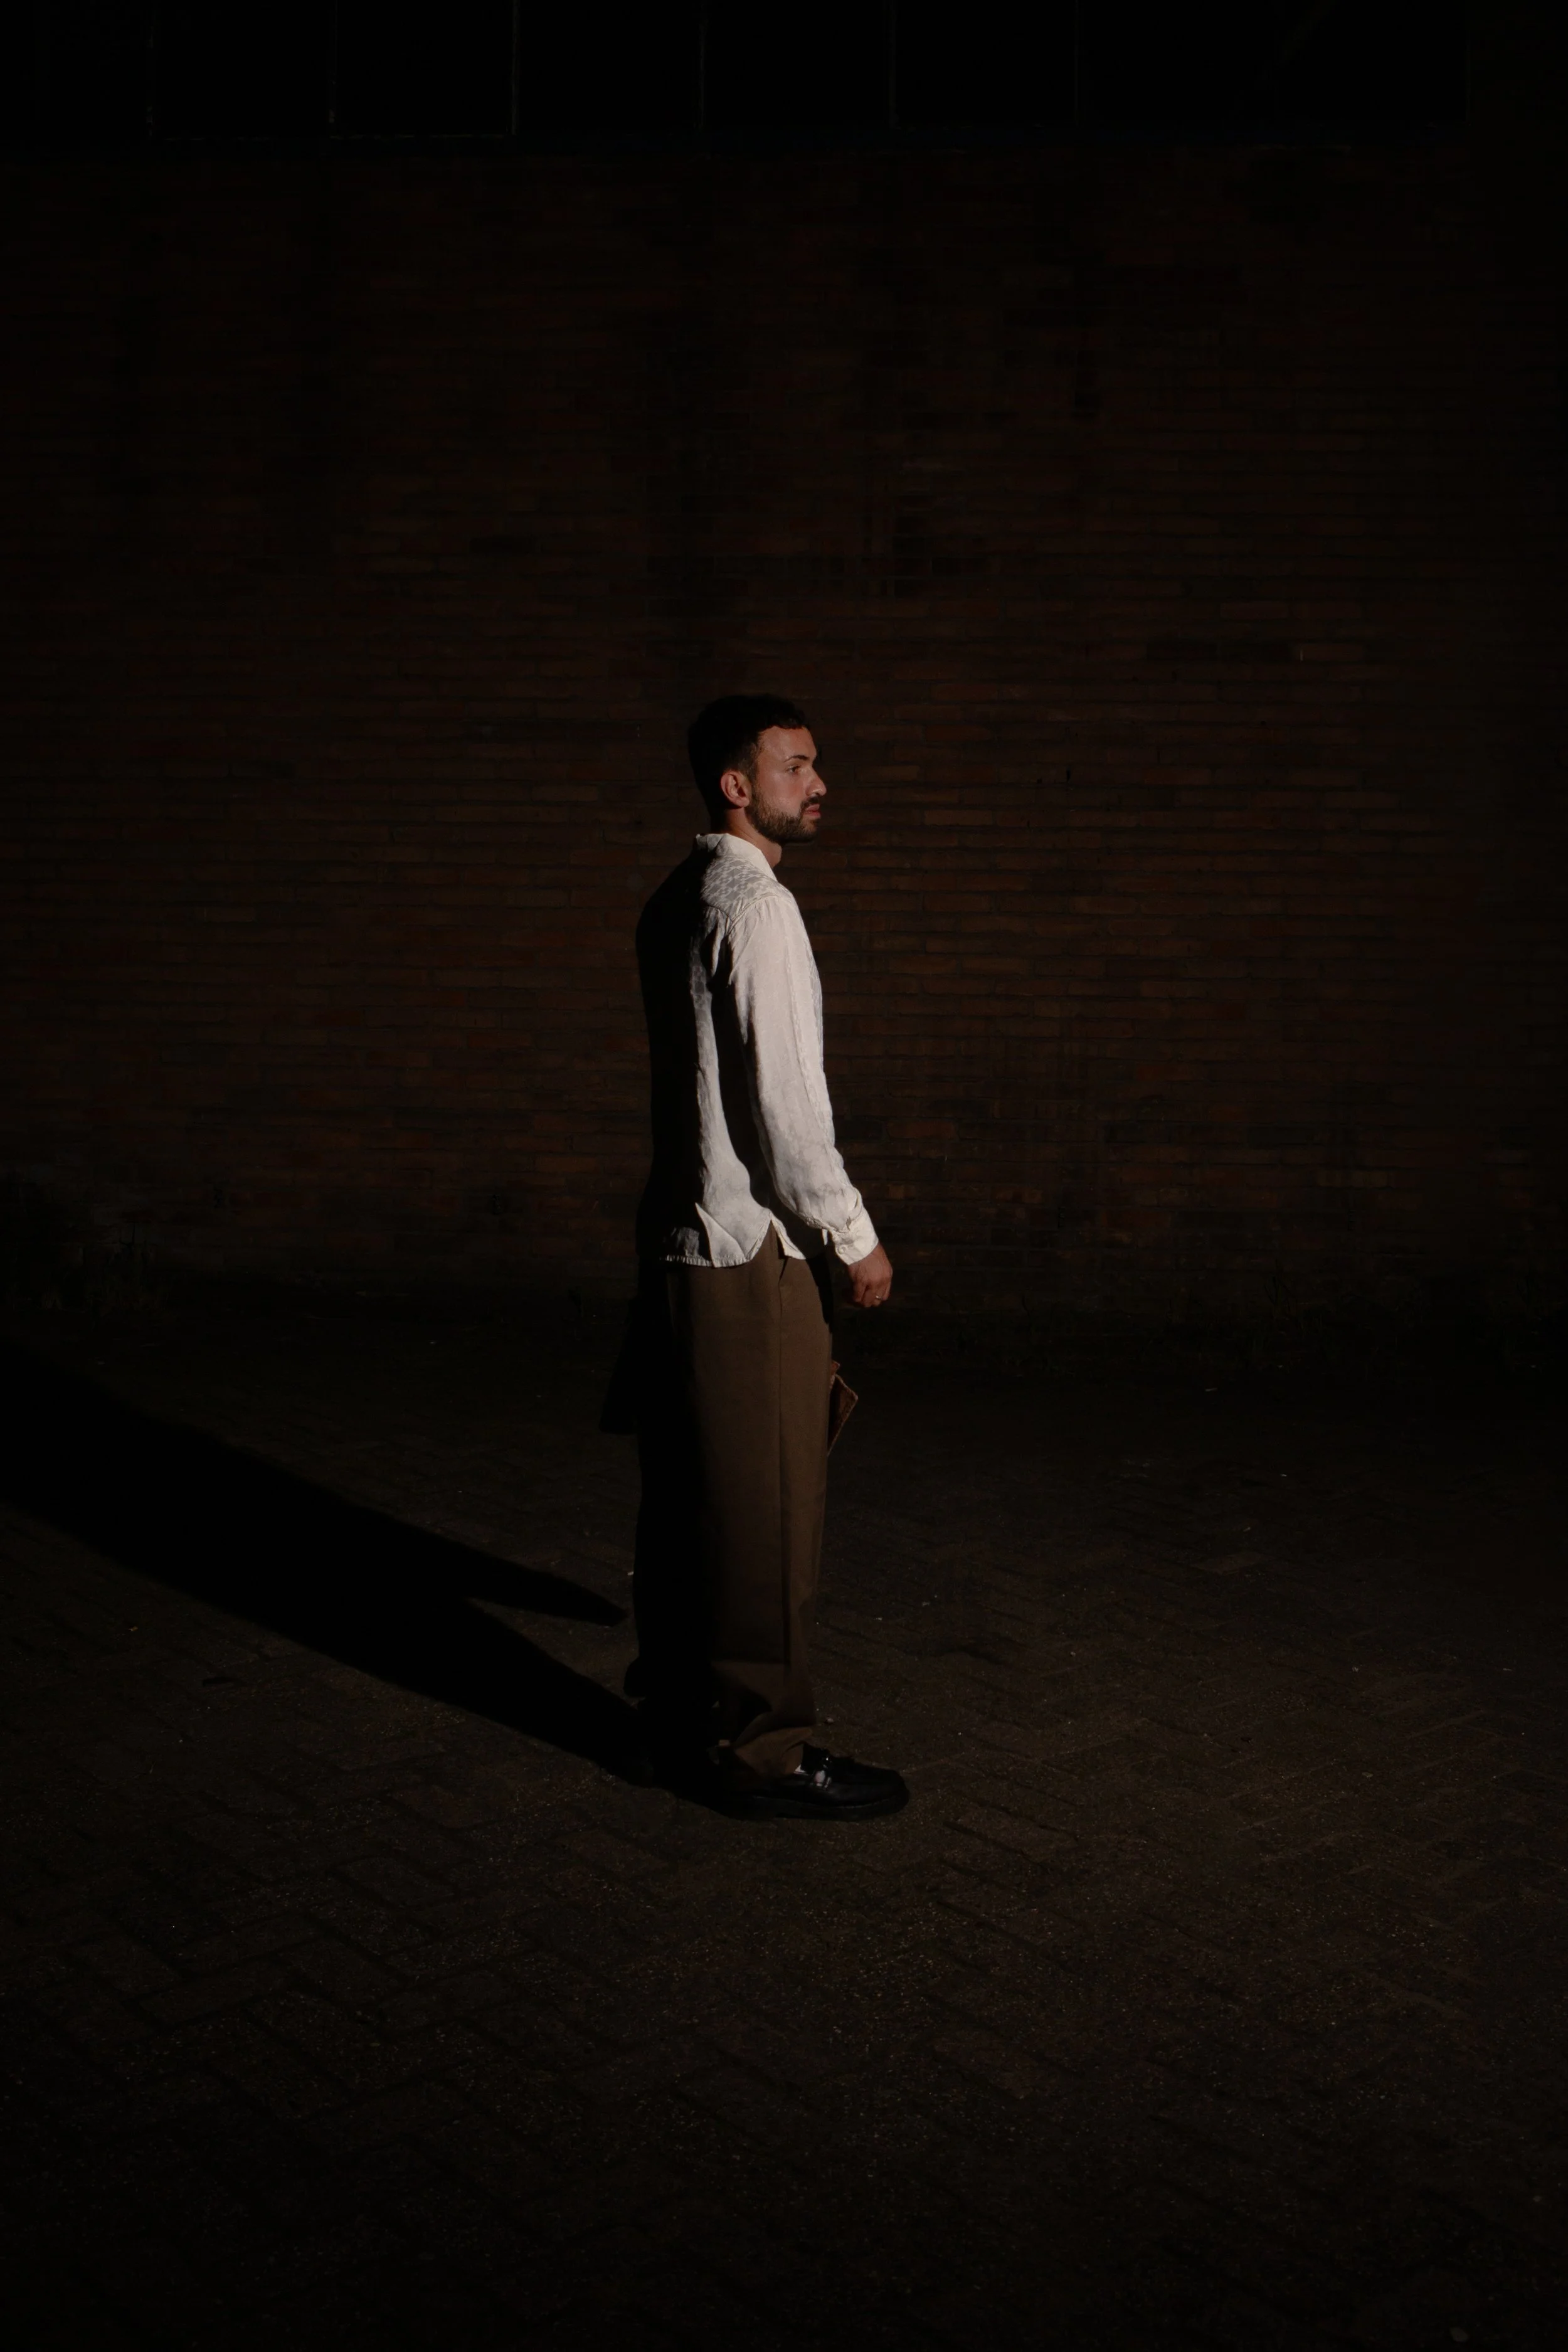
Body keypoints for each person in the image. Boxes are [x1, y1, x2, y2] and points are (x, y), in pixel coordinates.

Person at [620, 694, 908, 1821]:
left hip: (687, 1244)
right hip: (752, 1256)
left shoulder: (678, 895)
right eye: (796, 766)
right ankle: (766, 1752)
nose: (818, 784)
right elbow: (785, 1110)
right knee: (767, 1511)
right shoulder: (758, 906)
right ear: (737, 786)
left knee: (689, 1500)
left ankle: (668, 1721)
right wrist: (852, 1233)